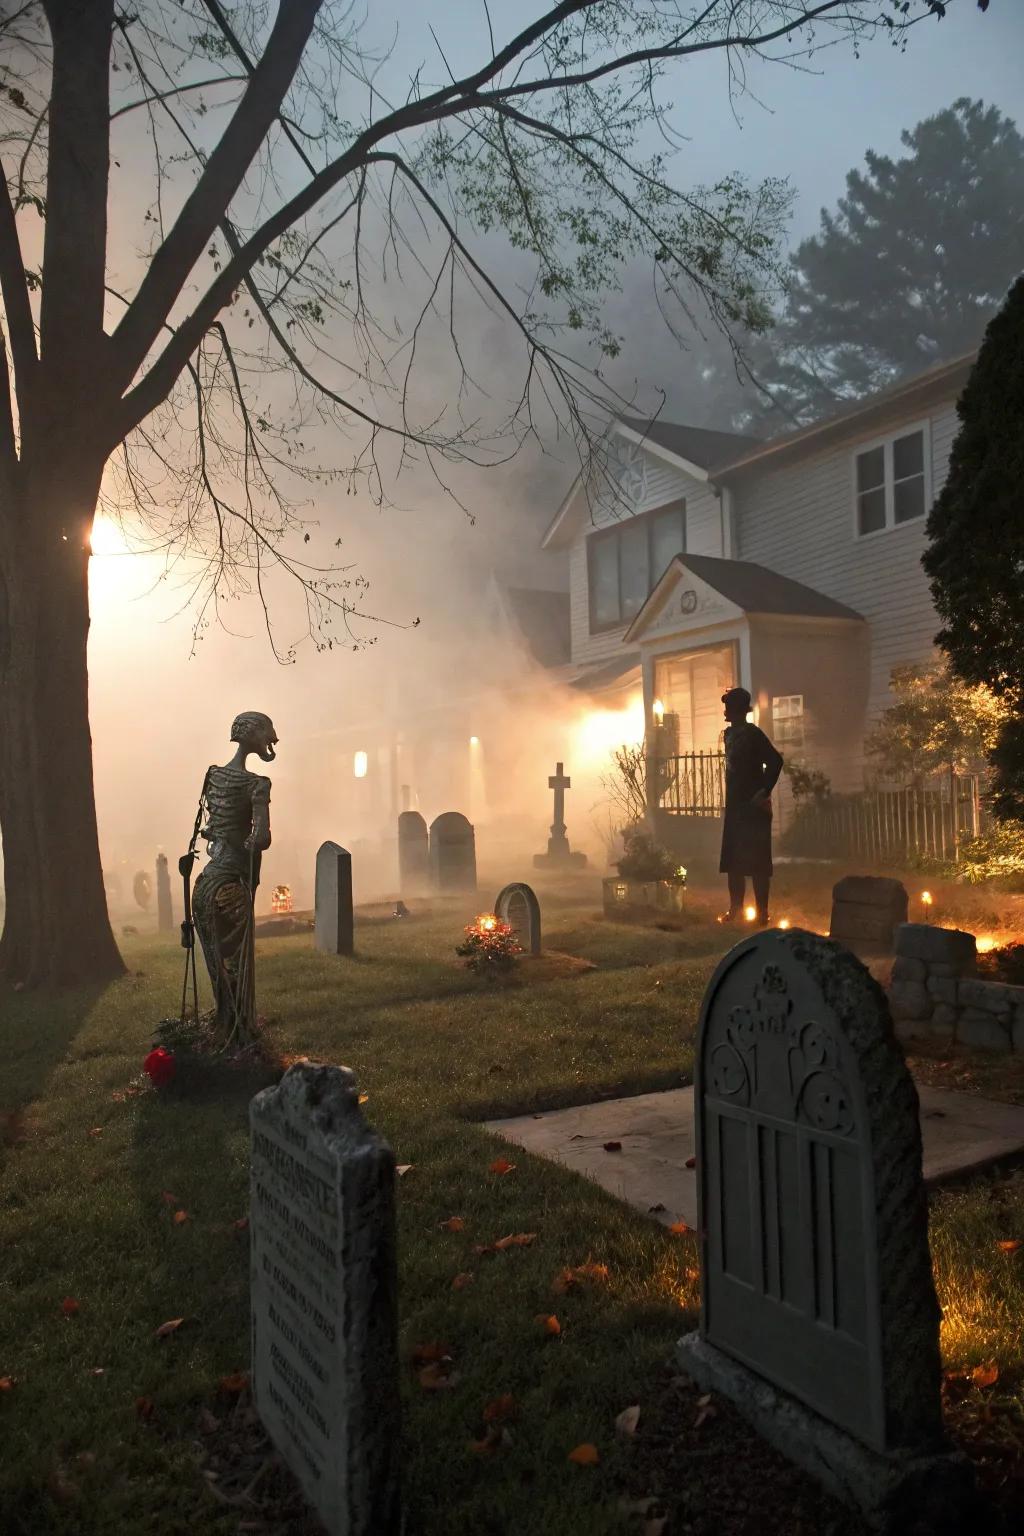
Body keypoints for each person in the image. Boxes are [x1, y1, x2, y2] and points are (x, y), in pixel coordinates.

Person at [191, 711, 278, 1048]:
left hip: (206, 883)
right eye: (268, 732)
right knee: (237, 965)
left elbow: (205, 824)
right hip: (233, 886)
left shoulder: (213, 775)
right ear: (252, 735)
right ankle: (239, 1035)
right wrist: (251, 839)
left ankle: (224, 1022)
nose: (274, 739)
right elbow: (262, 838)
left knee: (217, 964)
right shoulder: (257, 784)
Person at [719, 687, 783, 926]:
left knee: (757, 863)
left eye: (728, 706)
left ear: (737, 710)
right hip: (736, 808)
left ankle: (761, 912)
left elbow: (775, 761)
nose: (725, 710)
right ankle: (735, 909)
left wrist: (763, 791)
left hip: (754, 809)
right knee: (734, 862)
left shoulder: (753, 734)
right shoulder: (729, 735)